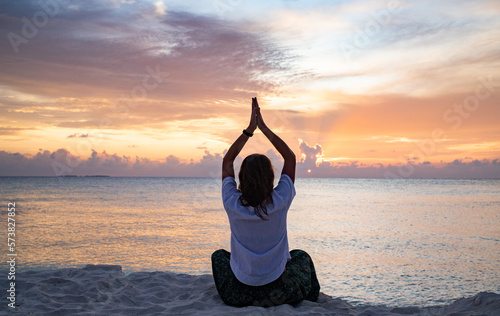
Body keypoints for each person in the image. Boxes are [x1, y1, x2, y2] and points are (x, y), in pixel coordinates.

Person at [211, 97, 320, 307]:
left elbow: (227, 161)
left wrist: (249, 130)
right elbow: (289, 158)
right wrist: (264, 128)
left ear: (242, 177)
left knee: (219, 257)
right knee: (300, 257)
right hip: (277, 286)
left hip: (238, 292)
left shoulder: (232, 202)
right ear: (270, 177)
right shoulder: (280, 200)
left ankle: (252, 295)